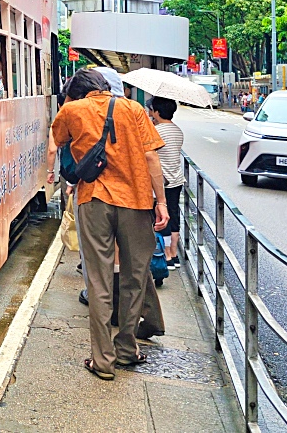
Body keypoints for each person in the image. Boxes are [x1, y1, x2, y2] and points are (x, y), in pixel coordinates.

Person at [52, 68, 169, 381]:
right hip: (137, 201)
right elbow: (151, 159)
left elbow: (59, 141)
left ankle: (103, 360)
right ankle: (127, 349)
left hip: (95, 200)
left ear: (78, 92)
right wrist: (163, 203)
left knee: (100, 282)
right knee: (134, 277)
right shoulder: (134, 109)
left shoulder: (72, 110)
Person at [148, 96, 185, 271]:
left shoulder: (156, 131)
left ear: (156, 111)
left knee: (162, 217)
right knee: (174, 213)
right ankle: (175, 254)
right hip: (176, 179)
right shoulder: (177, 131)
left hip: (161, 181)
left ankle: (166, 256)